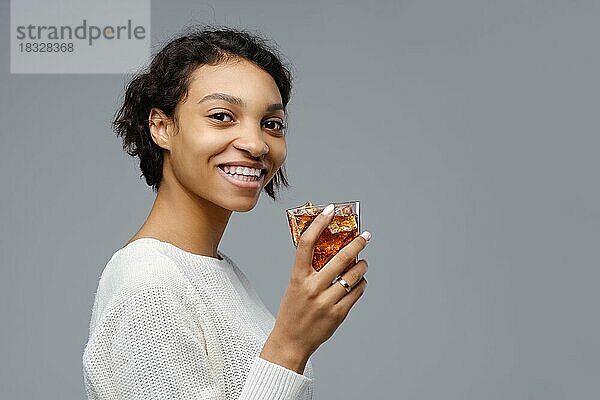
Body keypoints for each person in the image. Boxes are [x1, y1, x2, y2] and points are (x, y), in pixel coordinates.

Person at [82, 26, 371, 400]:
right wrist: (290, 344)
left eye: (272, 124)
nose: (256, 144)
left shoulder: (219, 272)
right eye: (221, 116)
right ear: (161, 127)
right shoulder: (149, 285)